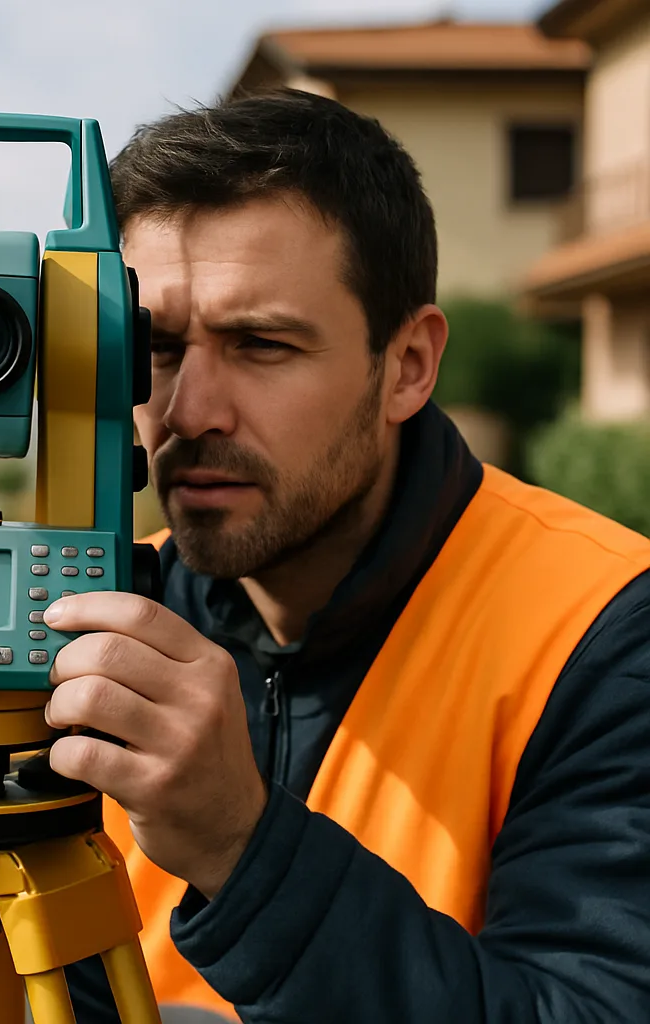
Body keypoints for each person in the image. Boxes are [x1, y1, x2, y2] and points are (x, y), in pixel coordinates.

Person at [39, 90, 650, 1022]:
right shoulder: (111, 611)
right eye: (154, 348)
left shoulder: (605, 628)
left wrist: (242, 847)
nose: (189, 409)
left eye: (262, 344)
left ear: (407, 364)